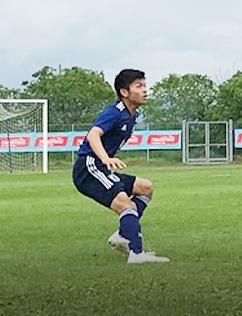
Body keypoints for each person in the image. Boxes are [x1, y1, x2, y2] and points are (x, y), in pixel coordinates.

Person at [72, 69, 169, 264]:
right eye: (138, 86)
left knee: (146, 188)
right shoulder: (114, 112)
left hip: (100, 167)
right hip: (89, 167)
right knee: (127, 205)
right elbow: (93, 135)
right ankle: (136, 253)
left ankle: (123, 234)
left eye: (144, 85)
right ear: (124, 92)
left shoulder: (131, 115)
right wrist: (106, 159)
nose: (145, 90)